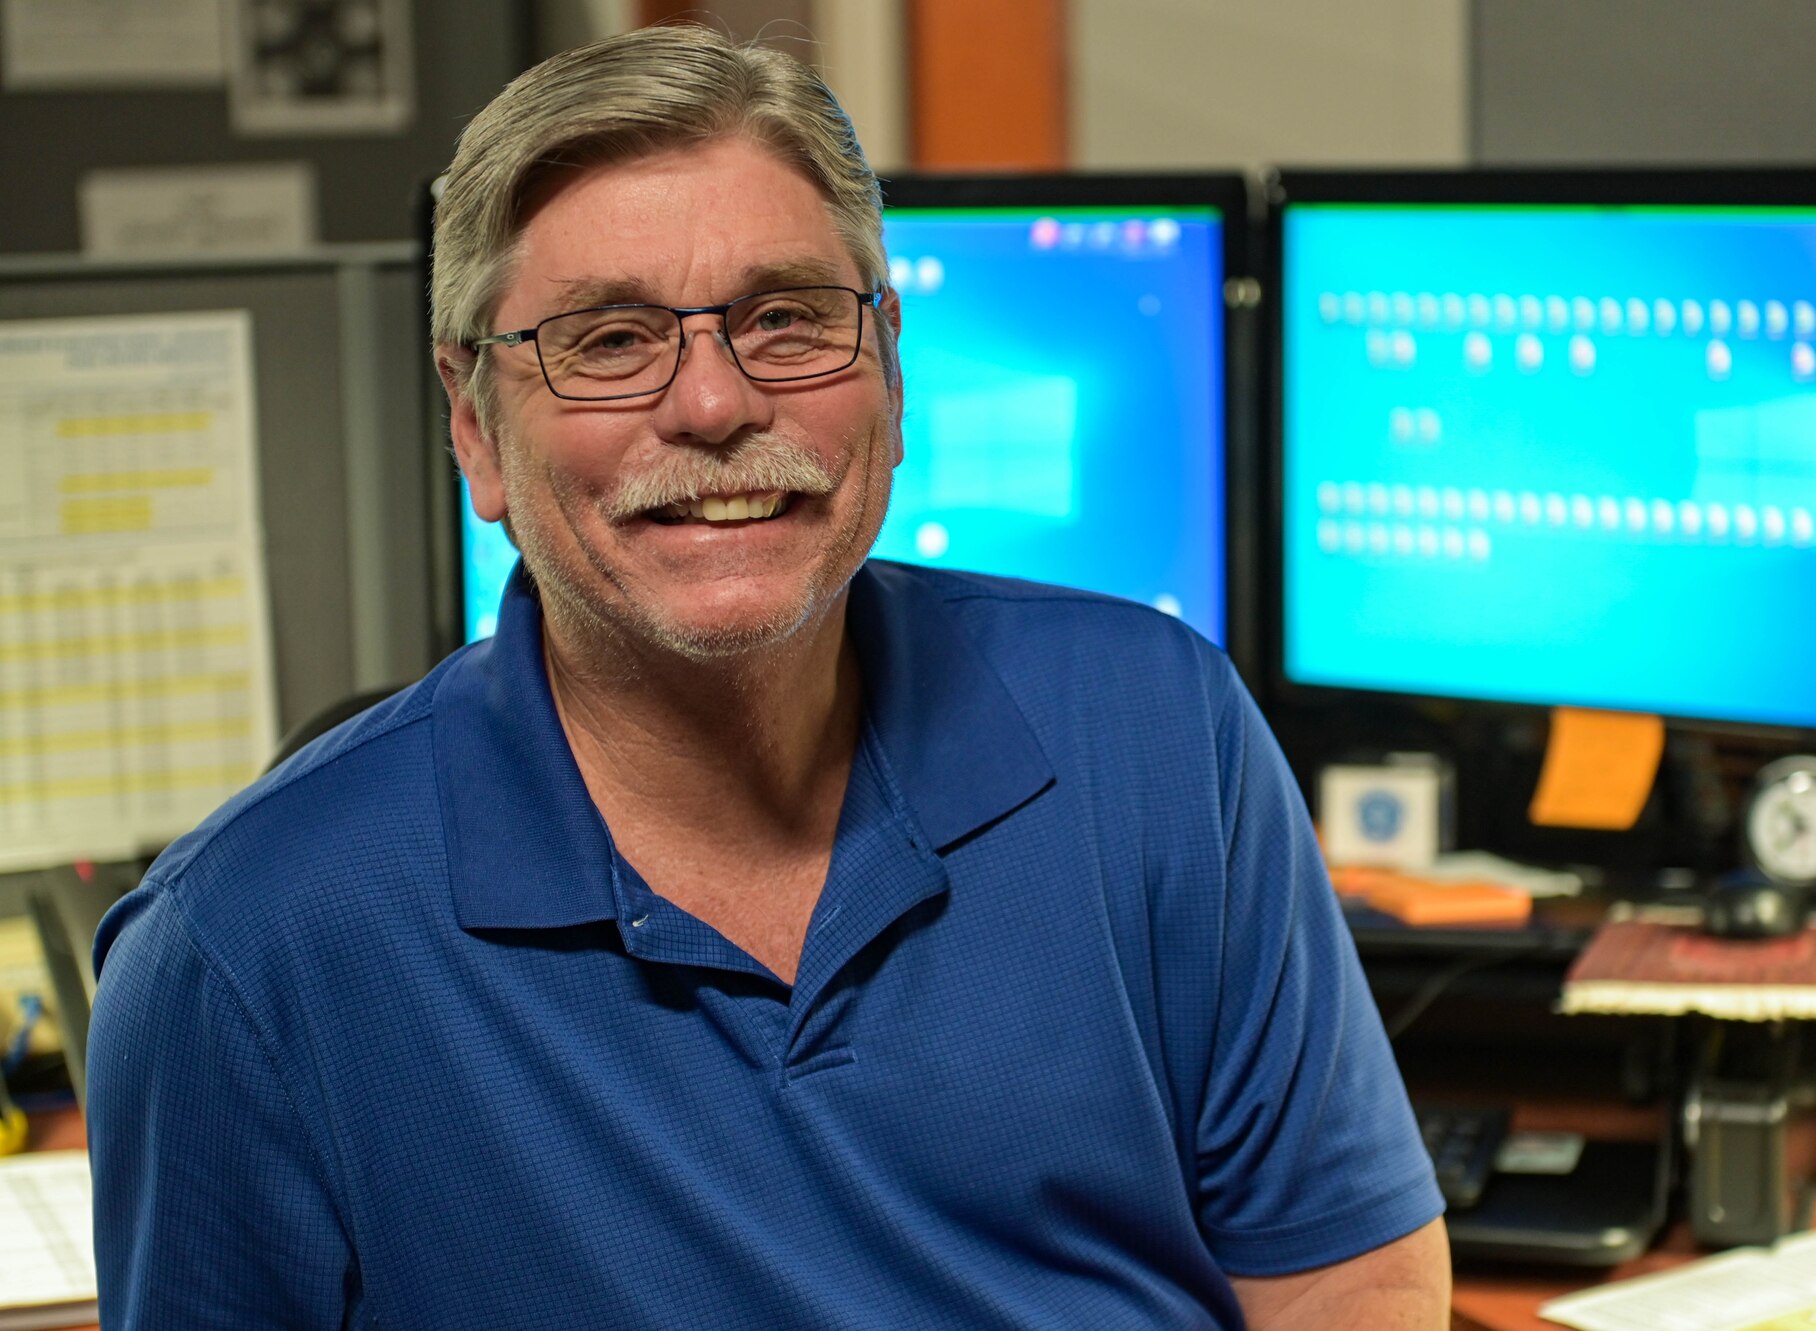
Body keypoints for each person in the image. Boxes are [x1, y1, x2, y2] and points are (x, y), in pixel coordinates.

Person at [87, 23, 1448, 1329]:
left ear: (893, 372)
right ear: (473, 428)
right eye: (609, 339)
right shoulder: (245, 953)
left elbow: (1349, 1280)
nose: (718, 403)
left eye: (787, 318)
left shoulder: (1157, 729)